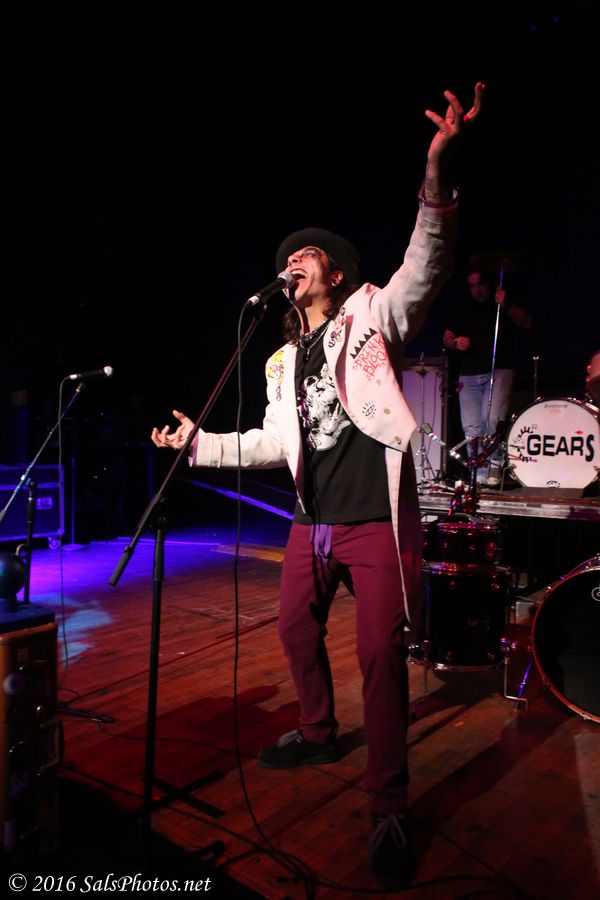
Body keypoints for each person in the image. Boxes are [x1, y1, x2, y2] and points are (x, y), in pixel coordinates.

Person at [151, 82, 485, 890]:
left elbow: (425, 265)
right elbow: (275, 440)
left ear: (333, 271)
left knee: (379, 655)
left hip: (371, 516)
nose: (290, 264)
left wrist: (437, 173)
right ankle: (316, 728)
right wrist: (199, 445)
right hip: (312, 519)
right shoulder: (279, 361)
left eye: (304, 256)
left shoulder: (372, 315)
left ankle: (388, 806)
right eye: (284, 260)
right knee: (295, 630)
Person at [443, 263, 532, 486]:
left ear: (489, 283)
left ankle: (494, 464)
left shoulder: (501, 301)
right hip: (469, 375)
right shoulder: (463, 306)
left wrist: (506, 304)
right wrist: (455, 342)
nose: (477, 290)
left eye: (480, 284)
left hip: (498, 369)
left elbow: (526, 322)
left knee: (492, 418)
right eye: (472, 286)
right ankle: (478, 469)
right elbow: (447, 337)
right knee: (472, 426)